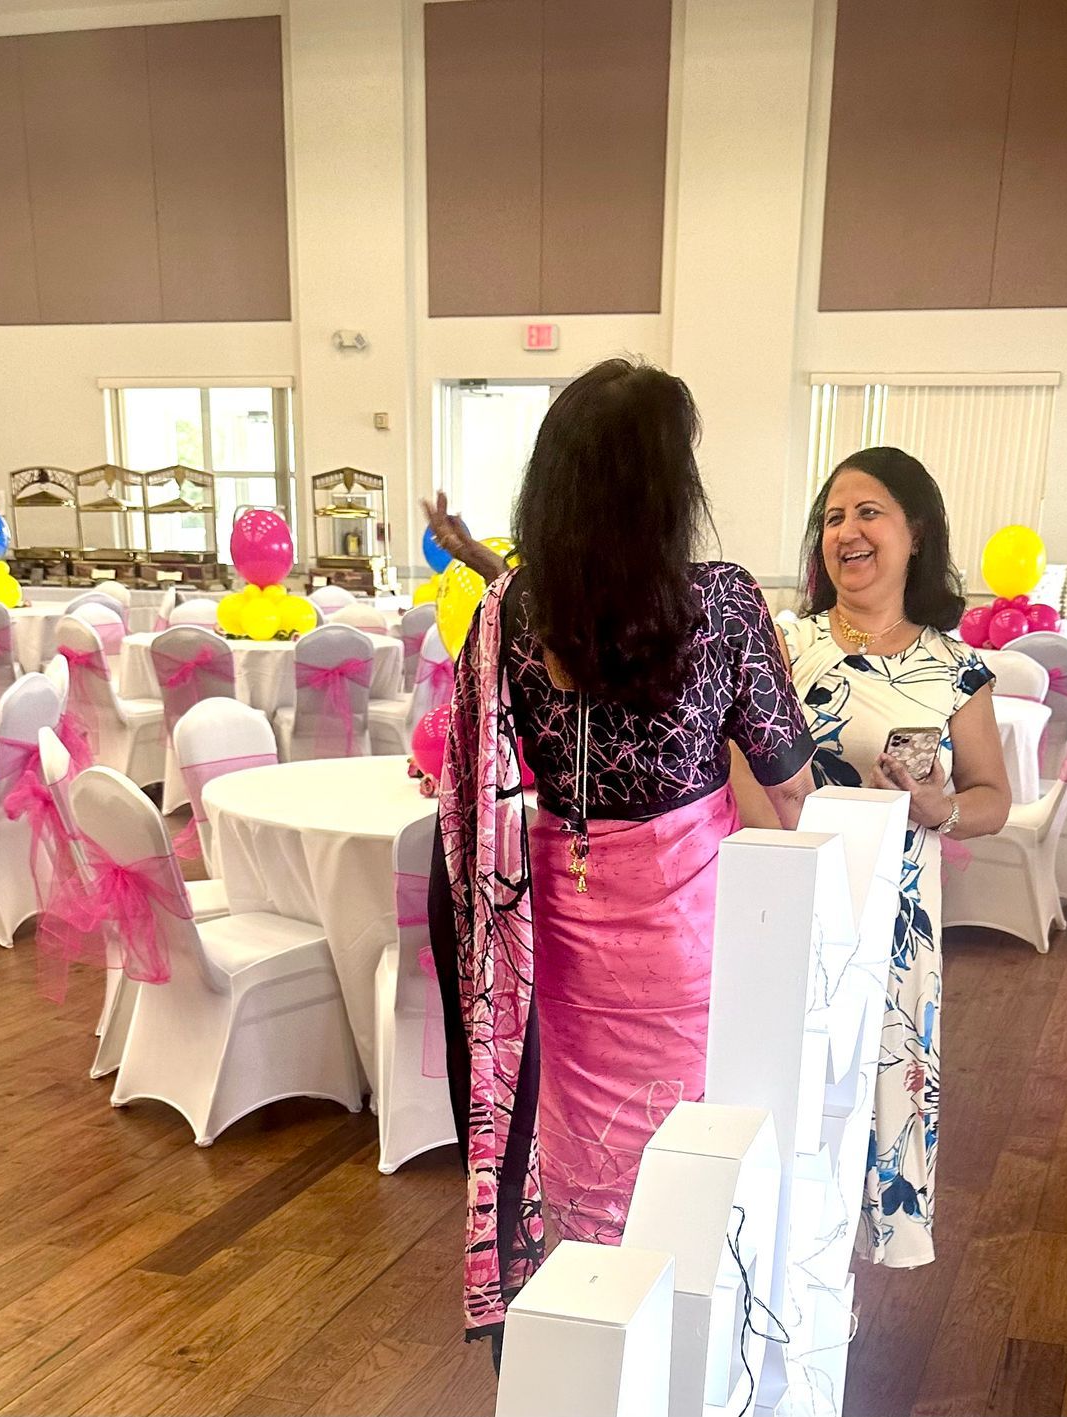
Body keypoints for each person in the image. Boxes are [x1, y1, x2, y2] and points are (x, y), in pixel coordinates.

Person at [426, 357, 816, 1342]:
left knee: (580, 1155)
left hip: (555, 938)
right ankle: (683, 1347)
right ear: (665, 485)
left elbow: (477, 779)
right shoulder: (721, 603)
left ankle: (592, 1341)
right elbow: (790, 779)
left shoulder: (510, 615)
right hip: (682, 941)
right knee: (680, 1151)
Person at [773, 445, 1010, 1271]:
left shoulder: (953, 668)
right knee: (789, 1088)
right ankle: (785, 1262)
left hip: (896, 917)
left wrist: (941, 807)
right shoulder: (781, 644)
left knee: (877, 1089)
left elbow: (993, 797)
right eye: (834, 516)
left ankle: (843, 1277)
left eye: (868, 511)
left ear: (916, 533)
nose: (848, 531)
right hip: (790, 901)